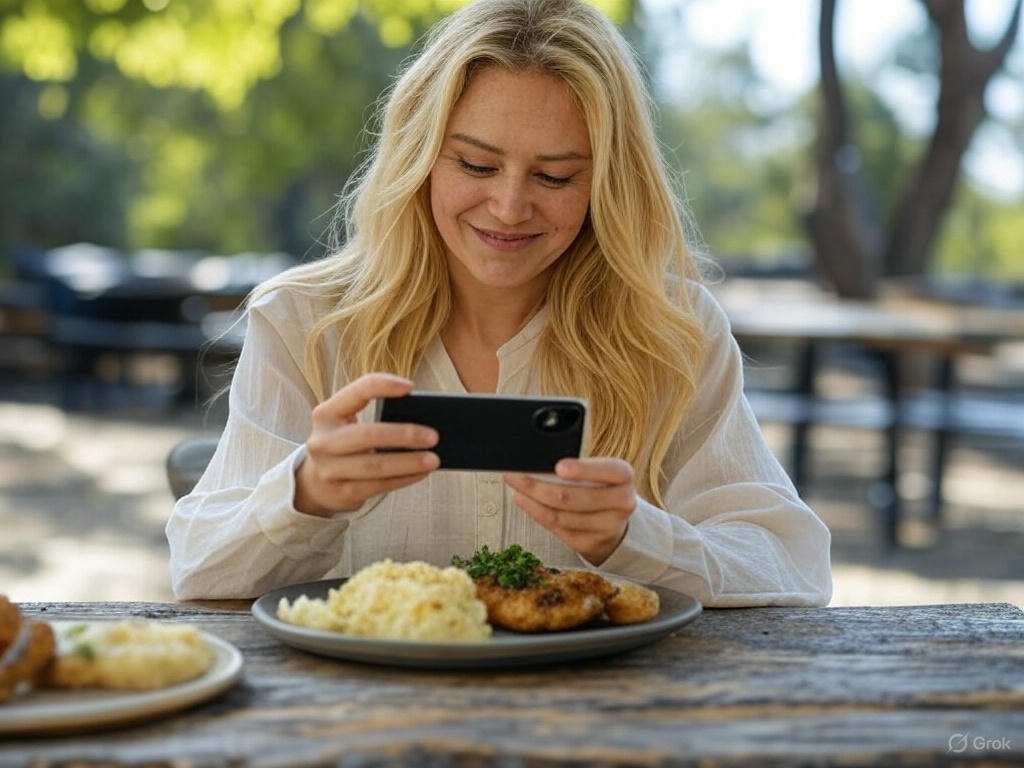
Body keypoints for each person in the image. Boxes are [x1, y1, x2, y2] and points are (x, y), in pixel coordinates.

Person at [166, 0, 832, 606]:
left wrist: (638, 537)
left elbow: (795, 567)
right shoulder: (301, 322)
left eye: (554, 176)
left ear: (606, 183)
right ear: (419, 156)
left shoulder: (675, 332)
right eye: (476, 166)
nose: (510, 207)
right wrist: (304, 494)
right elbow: (198, 566)